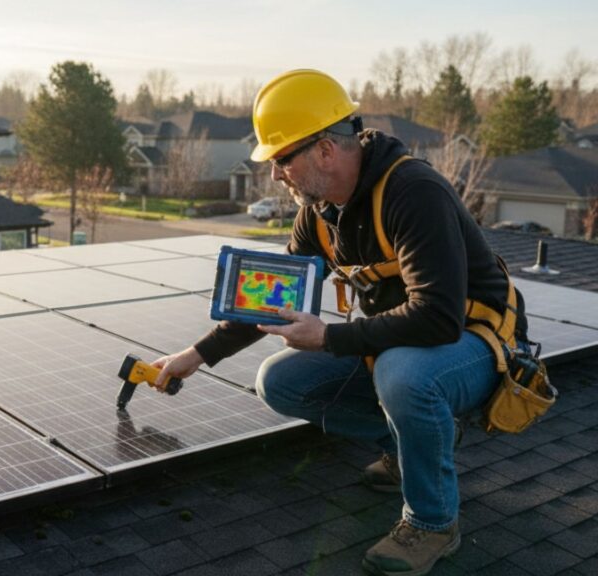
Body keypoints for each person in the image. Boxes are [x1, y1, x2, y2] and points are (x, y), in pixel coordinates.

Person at [154, 69, 522, 576]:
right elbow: (271, 302)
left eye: (282, 159)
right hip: (399, 345)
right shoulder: (319, 213)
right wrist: (194, 356)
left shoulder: (413, 192)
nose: (275, 174)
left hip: (474, 344)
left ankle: (433, 522)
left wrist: (329, 336)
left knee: (404, 375)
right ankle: (410, 446)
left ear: (325, 150)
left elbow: (438, 318)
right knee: (280, 381)